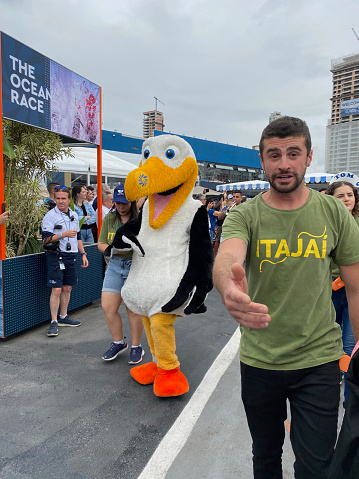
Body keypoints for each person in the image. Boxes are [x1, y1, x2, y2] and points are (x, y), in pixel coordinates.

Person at [213, 116, 359, 479]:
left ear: (309, 157)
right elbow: (228, 256)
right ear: (262, 160)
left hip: (319, 360)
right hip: (260, 359)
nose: (283, 164)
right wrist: (227, 287)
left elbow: (356, 285)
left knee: (317, 466)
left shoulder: (333, 213)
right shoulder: (245, 214)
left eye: (293, 153)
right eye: (273, 155)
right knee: (265, 457)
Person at [97, 184, 144, 365]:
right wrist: (108, 249)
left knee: (132, 309)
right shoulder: (110, 218)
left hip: (135, 265)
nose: (121, 207)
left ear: (131, 202)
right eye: (117, 203)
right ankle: (119, 342)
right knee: (108, 307)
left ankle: (136, 346)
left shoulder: (140, 218)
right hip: (115, 265)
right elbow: (101, 243)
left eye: (124, 203)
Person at [326, 180, 359, 406]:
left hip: (354, 291)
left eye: (350, 194)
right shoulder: (324, 223)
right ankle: (326, 392)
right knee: (328, 345)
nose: (346, 198)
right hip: (328, 291)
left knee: (349, 346)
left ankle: (349, 402)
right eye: (340, 195)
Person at [42, 186, 89, 337]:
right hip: (56, 255)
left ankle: (63, 316)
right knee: (56, 289)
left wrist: (83, 254)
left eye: (63, 198)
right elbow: (46, 240)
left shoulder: (74, 215)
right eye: (58, 198)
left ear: (69, 200)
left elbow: (78, 237)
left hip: (72, 255)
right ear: (54, 199)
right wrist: (62, 235)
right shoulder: (49, 216)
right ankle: (54, 321)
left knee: (67, 288)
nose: (60, 201)